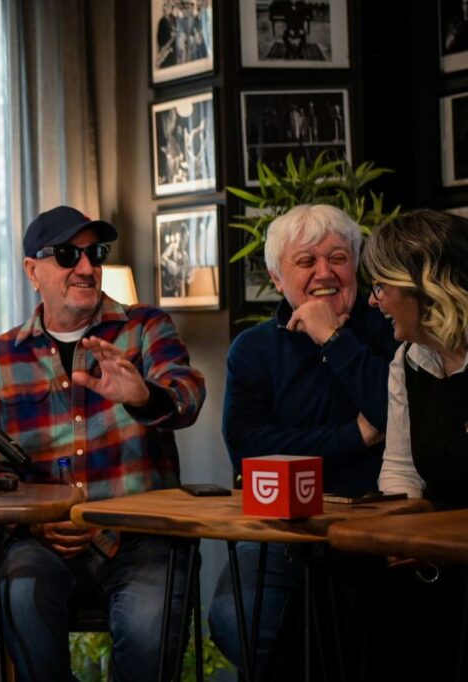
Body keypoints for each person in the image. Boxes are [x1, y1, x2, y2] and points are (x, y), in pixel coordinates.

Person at [0, 205, 207, 682]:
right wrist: (35, 524)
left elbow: (187, 397)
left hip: (142, 536)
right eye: (67, 255)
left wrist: (143, 396)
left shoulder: (145, 327)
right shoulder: (0, 359)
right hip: (44, 542)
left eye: (94, 254)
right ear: (32, 271)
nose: (85, 267)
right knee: (20, 595)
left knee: (146, 630)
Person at [207, 204, 399, 679]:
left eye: (338, 257)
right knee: (237, 621)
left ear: (356, 266)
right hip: (280, 529)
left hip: (378, 526)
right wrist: (354, 435)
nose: (324, 272)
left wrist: (334, 338)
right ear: (277, 277)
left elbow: (396, 415)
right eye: (306, 261)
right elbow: (250, 450)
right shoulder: (253, 349)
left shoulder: (391, 330)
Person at [363, 208, 468, 679]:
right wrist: (401, 535)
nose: (374, 301)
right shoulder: (407, 361)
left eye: (381, 286)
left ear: (424, 286)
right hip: (440, 560)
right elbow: (402, 469)